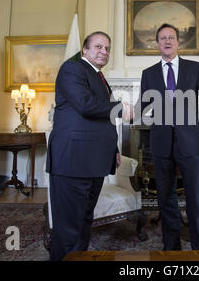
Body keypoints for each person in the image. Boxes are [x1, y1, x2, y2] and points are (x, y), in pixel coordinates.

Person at [45, 31, 133, 261]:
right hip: (72, 161)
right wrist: (121, 108)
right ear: (84, 50)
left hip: (92, 161)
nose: (103, 51)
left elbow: (102, 119)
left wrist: (112, 149)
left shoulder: (99, 78)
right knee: (68, 229)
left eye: (107, 48)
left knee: (84, 221)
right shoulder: (72, 69)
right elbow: (85, 105)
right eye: (98, 47)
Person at [138, 23, 199, 250]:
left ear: (178, 42)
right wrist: (127, 110)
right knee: (166, 199)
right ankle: (171, 248)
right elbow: (142, 107)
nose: (167, 41)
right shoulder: (148, 74)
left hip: (190, 143)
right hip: (160, 143)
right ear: (157, 44)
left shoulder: (194, 69)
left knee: (195, 198)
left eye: (171, 37)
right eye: (162, 38)